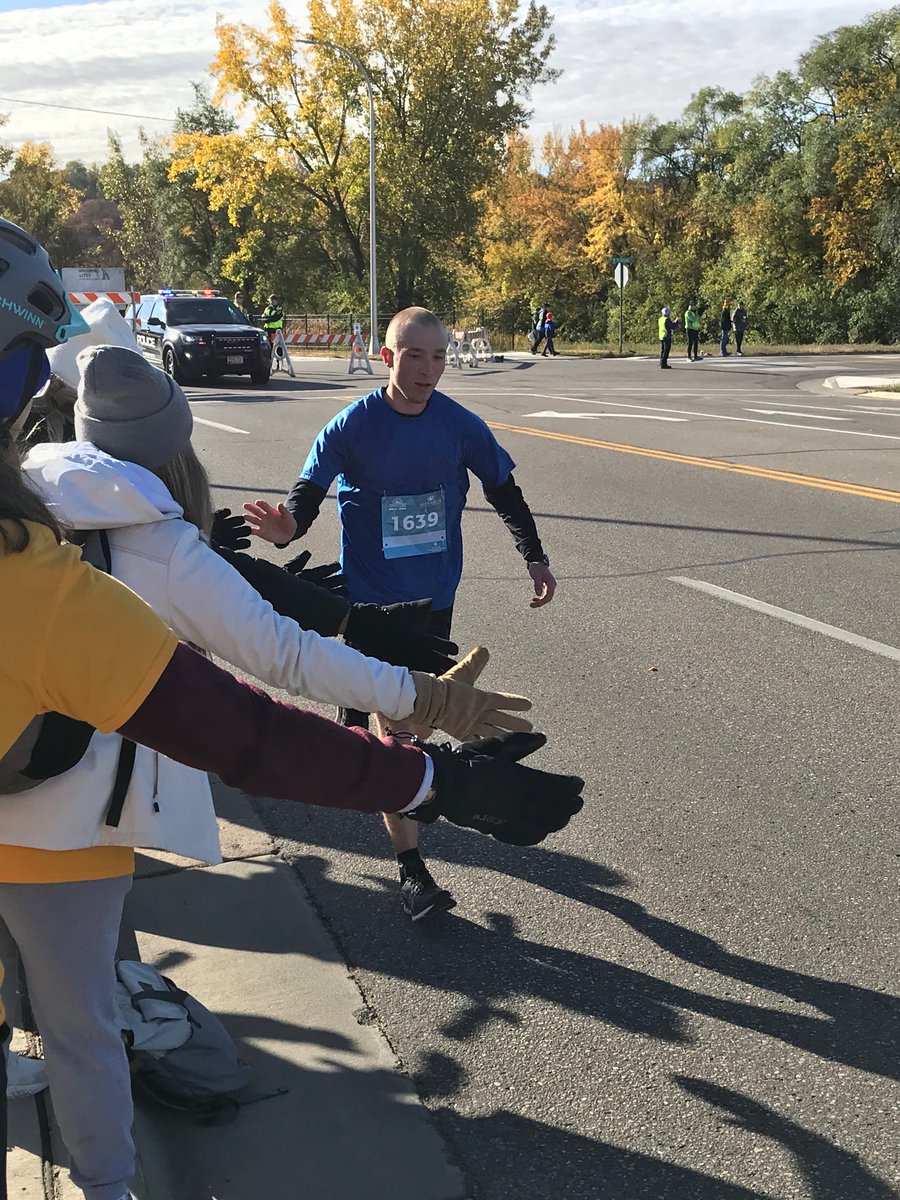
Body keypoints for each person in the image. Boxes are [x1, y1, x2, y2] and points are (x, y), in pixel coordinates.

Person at [0, 219, 583, 1199]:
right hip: (62, 826)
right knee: (82, 1026)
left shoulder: (49, 499)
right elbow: (257, 714)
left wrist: (357, 620)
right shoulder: (71, 572)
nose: (427, 367)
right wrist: (435, 750)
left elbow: (263, 597)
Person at [244, 306, 558, 921]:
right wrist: (287, 529)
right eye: (413, 355)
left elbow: (504, 492)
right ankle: (412, 862)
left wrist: (535, 558)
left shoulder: (459, 424)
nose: (427, 369)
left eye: (438, 357)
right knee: (390, 732)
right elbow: (305, 498)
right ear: (387, 357)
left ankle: (384, 792)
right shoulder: (351, 425)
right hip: (367, 609)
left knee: (402, 727)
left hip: (433, 601)